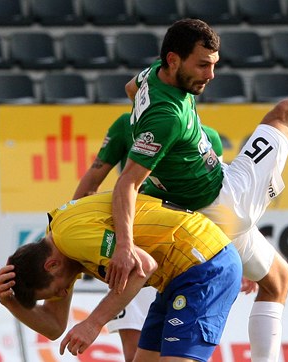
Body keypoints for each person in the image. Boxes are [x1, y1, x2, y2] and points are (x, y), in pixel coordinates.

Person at [108, 7, 288, 361]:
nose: (211, 74)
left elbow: (131, 88)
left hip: (203, 219)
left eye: (214, 63)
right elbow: (126, 185)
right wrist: (124, 246)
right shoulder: (166, 118)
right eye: (202, 65)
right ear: (173, 60)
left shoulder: (149, 77)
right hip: (226, 199)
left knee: (277, 278)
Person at [73, 112, 242, 362]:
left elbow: (215, 207)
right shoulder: (125, 124)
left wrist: (237, 246)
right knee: (135, 355)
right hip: (136, 250)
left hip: (180, 257)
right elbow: (90, 183)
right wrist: (75, 227)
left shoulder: (210, 140)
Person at [0, 191, 242, 361]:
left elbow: (142, 266)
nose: (62, 294)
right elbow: (54, 326)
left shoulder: (71, 238)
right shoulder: (59, 249)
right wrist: (10, 303)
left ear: (51, 266)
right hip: (177, 278)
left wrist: (93, 323)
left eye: (55, 290)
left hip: (204, 263)